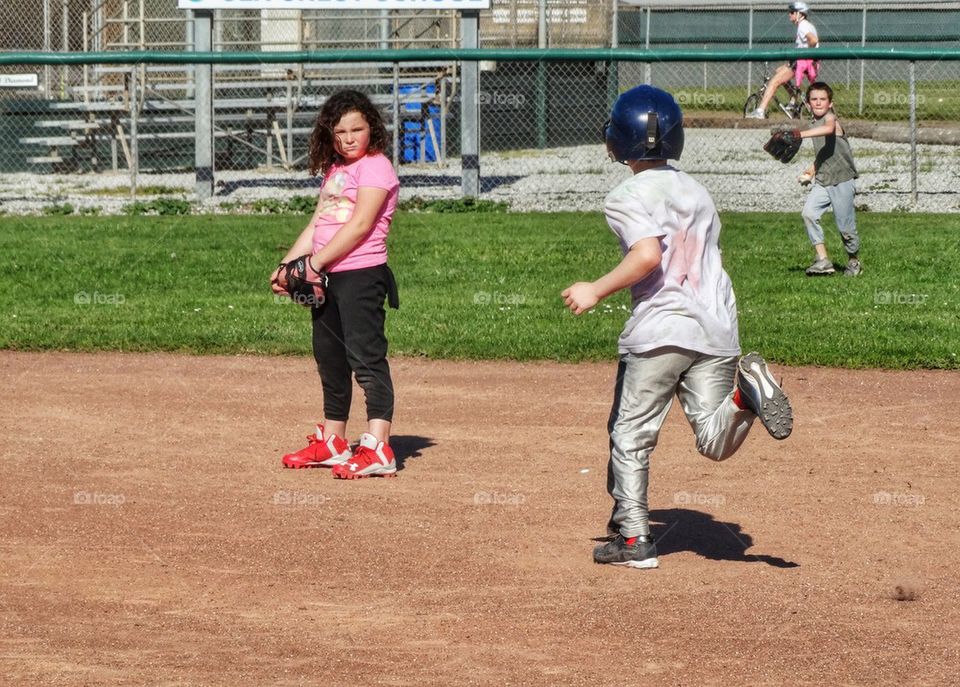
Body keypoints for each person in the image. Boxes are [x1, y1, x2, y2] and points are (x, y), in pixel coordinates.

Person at [561, 85, 794, 570]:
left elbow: (647, 255)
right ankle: (744, 397)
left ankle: (633, 540)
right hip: (716, 327)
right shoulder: (696, 189)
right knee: (712, 438)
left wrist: (595, 289)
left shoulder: (625, 194)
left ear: (619, 140)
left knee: (631, 435)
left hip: (661, 330)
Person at [271, 89, 401, 479]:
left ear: (371, 130)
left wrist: (312, 264)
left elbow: (361, 224)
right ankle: (334, 441)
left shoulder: (376, 167)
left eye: (357, 129)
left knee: (366, 357)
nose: (348, 138)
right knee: (329, 357)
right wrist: (287, 266)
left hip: (361, 274)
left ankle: (379, 447)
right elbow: (318, 223)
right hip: (325, 274)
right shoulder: (336, 170)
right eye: (340, 131)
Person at [792, 81, 861, 276]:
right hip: (823, 180)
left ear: (830, 103)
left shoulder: (831, 119)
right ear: (807, 104)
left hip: (842, 179)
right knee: (808, 214)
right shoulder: (813, 124)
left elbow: (829, 129)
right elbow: (824, 153)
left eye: (823, 99)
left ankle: (854, 261)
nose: (819, 102)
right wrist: (811, 171)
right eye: (814, 99)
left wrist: (799, 134)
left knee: (845, 227)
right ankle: (823, 260)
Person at [746, 2, 819, 119]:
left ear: (799, 14)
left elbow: (813, 40)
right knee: (779, 70)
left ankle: (760, 110)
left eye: (791, 12)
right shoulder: (808, 25)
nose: (789, 15)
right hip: (802, 61)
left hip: (801, 61)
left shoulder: (803, 26)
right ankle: (793, 99)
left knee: (774, 82)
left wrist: (806, 54)